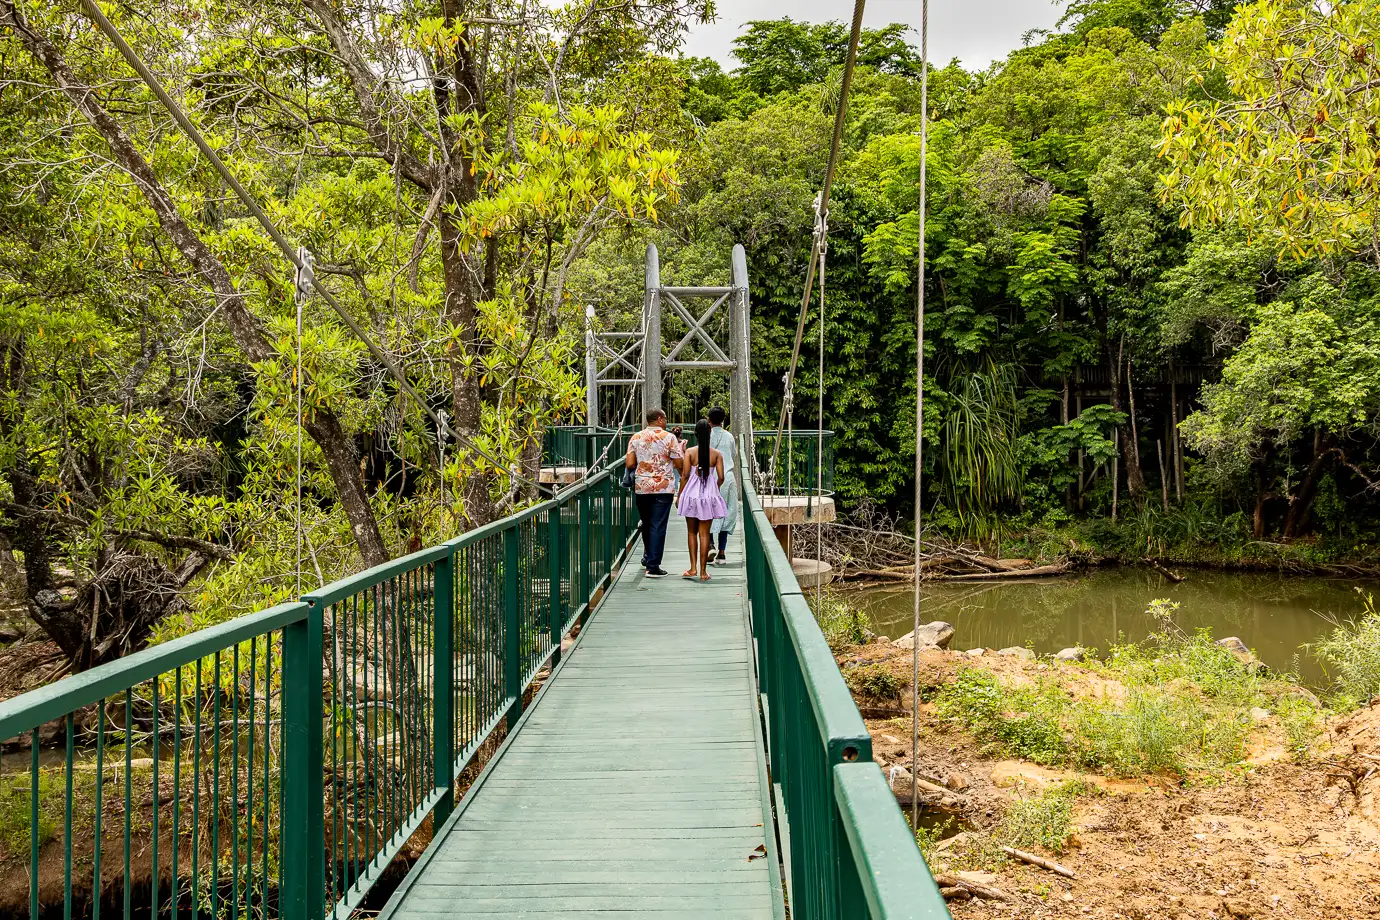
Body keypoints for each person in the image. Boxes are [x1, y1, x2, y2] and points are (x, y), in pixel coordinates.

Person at [625, 408, 684, 578]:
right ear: (659, 419)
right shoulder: (669, 437)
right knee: (658, 525)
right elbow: (679, 463)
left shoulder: (636, 437)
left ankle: (647, 556)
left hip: (642, 486)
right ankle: (653, 566)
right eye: (665, 418)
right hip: (663, 487)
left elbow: (630, 463)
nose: (666, 421)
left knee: (647, 522)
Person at [676, 418, 728, 581]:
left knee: (692, 532)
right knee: (705, 535)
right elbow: (721, 477)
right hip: (708, 495)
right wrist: (714, 488)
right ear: (710, 433)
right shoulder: (717, 454)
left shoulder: (690, 452)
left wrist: (680, 495)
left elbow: (685, 475)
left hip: (692, 494)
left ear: (695, 434)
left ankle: (693, 568)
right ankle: (703, 572)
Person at [705, 406, 738, 565]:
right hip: (727, 477)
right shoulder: (729, 436)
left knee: (709, 511)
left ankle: (710, 544)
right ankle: (722, 553)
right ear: (723, 420)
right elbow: (733, 455)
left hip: (710, 476)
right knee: (727, 511)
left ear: (709, 420)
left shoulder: (706, 435)